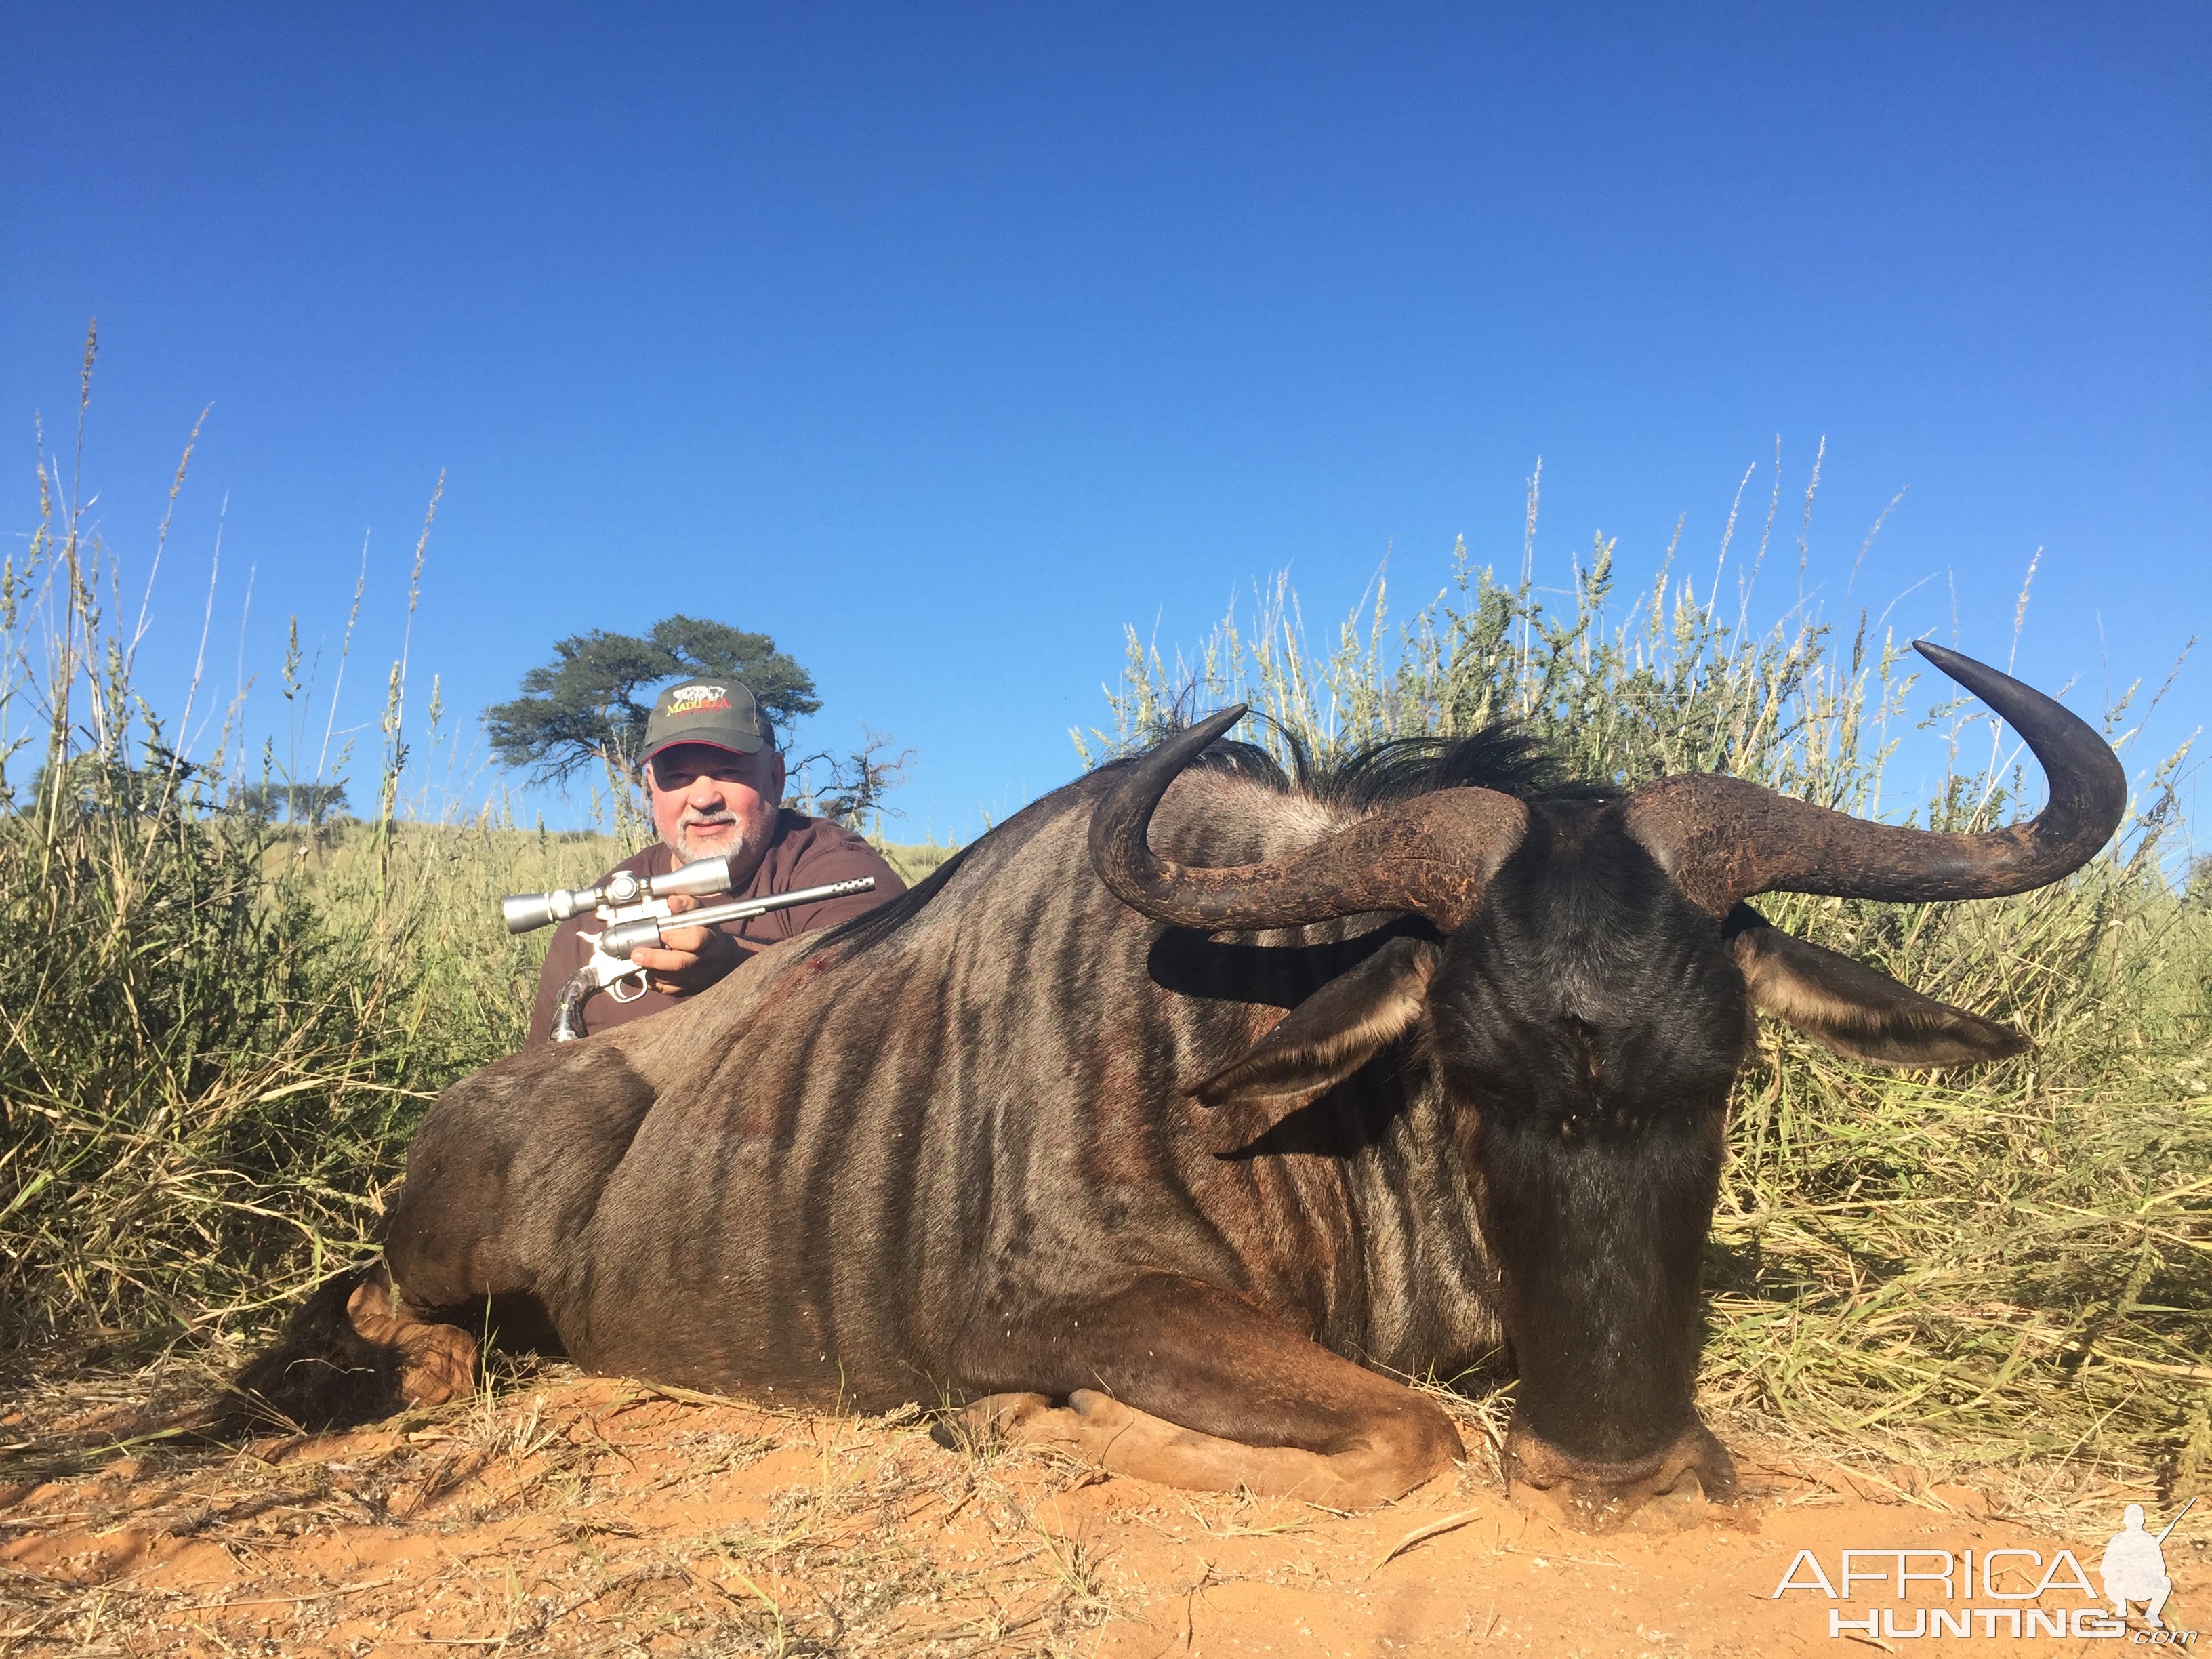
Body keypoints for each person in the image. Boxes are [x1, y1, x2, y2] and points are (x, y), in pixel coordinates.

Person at [526, 679, 903, 1044]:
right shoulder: (587, 918)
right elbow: (542, 1080)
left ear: (775, 776)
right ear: (650, 787)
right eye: (678, 777)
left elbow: (888, 1001)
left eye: (728, 772)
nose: (704, 799)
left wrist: (735, 965)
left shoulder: (834, 867)